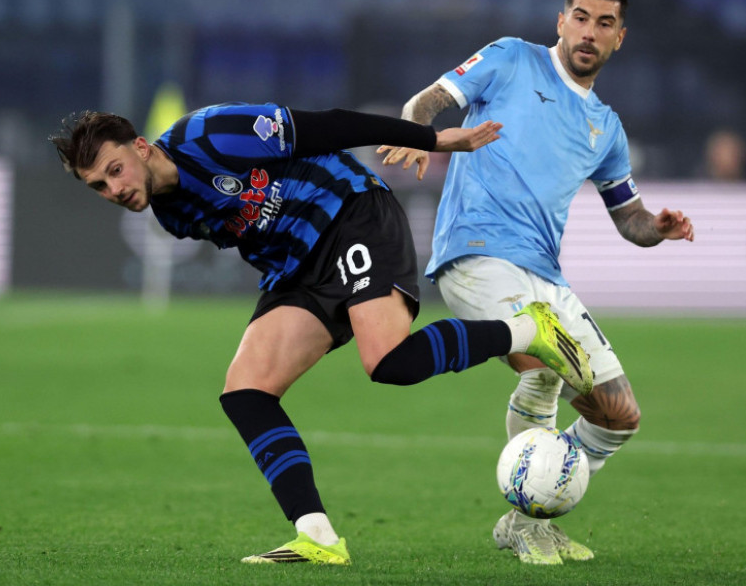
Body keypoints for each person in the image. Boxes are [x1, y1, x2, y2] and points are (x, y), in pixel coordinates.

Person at [50, 103, 595, 566]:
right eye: (99, 186)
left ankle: (529, 328)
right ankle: (317, 537)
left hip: (351, 214)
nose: (114, 189)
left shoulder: (210, 134)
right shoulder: (171, 214)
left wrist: (431, 140)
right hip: (297, 268)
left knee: (388, 362)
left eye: (115, 171)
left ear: (140, 147)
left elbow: (330, 125)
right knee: (245, 391)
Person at [379, 0, 695, 565]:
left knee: (618, 417)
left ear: (619, 38)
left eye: (604, 23)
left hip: (545, 275)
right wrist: (421, 138)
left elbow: (628, 218)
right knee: (544, 366)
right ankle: (530, 521)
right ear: (561, 21)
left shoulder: (606, 128)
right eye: (581, 17)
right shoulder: (510, 59)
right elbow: (426, 102)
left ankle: (528, 514)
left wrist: (658, 227)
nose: (589, 32)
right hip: (476, 253)